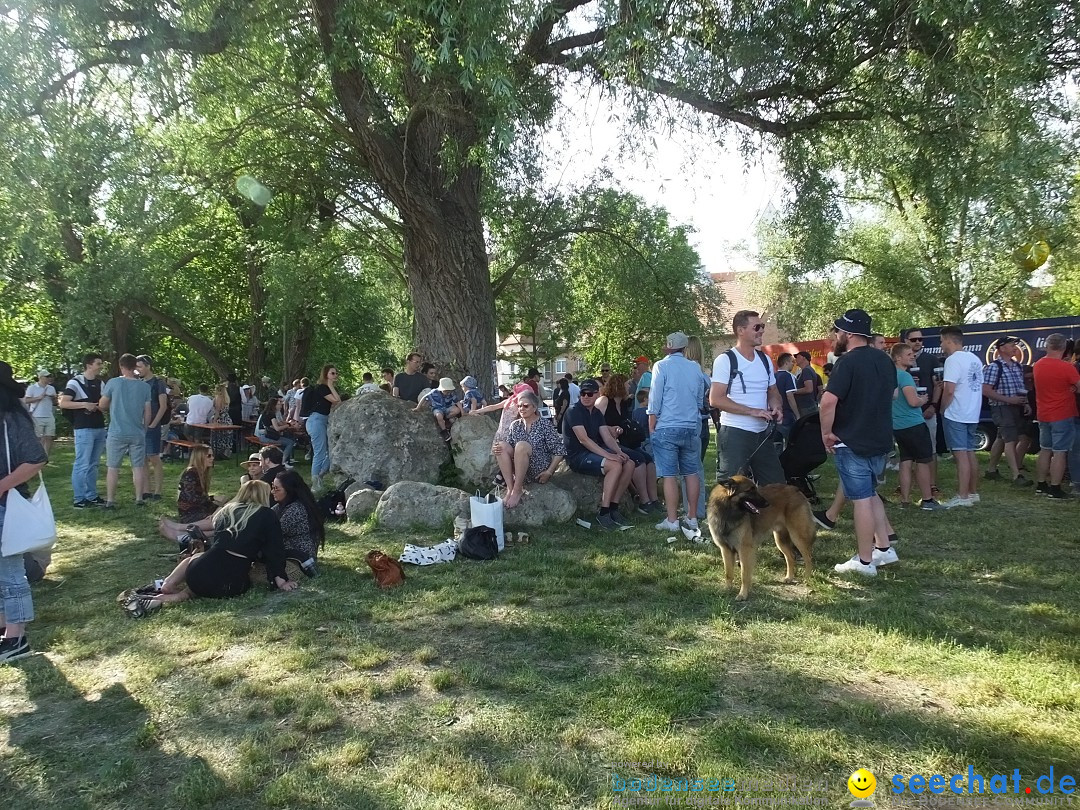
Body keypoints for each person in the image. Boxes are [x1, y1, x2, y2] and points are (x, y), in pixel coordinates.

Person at [124, 481, 297, 618]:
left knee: (196, 566)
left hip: (202, 569)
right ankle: (164, 597)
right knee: (191, 592)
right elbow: (275, 550)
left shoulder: (226, 511)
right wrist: (280, 580)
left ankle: (165, 587)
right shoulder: (266, 514)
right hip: (232, 579)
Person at [819, 309, 899, 576]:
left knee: (861, 499)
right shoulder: (884, 360)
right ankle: (884, 549)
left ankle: (865, 562)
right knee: (872, 492)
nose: (835, 335)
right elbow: (894, 394)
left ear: (849, 334)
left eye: (838, 331)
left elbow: (828, 401)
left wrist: (826, 433)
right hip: (880, 438)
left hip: (852, 440)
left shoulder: (847, 362)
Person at [0, 360, 49, 663]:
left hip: (7, 506)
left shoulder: (11, 421)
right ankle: (6, 628)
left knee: (10, 572)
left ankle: (17, 636)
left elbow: (35, 459)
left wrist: (2, 485)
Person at [710, 310, 785, 484]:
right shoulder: (725, 360)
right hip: (735, 433)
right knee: (730, 490)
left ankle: (768, 512)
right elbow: (716, 399)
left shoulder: (765, 359)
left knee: (777, 487)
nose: (762, 331)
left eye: (763, 326)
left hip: (762, 434)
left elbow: (772, 391)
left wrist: (776, 406)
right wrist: (752, 411)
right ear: (740, 330)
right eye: (757, 327)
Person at [649, 332, 709, 532]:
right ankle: (692, 517)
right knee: (691, 473)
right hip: (691, 426)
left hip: (667, 425)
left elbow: (655, 397)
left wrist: (652, 420)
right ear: (684, 348)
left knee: (669, 475)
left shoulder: (661, 366)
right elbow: (701, 399)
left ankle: (672, 520)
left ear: (668, 346)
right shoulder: (695, 368)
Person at [563, 378, 635, 530]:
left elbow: (607, 437)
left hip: (592, 453)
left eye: (590, 394)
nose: (586, 396)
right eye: (583, 393)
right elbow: (584, 440)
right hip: (578, 456)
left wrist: (619, 452)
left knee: (629, 463)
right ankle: (603, 512)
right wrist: (609, 456)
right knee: (614, 465)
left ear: (597, 394)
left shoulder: (596, 413)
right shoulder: (573, 411)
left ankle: (614, 508)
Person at [595, 374, 659, 513]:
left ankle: (654, 499)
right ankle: (644, 500)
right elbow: (594, 422)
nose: (629, 386)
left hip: (623, 440)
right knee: (638, 459)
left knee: (649, 460)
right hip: (606, 442)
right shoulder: (604, 401)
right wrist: (609, 429)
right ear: (618, 385)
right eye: (626, 384)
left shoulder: (623, 403)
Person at [891, 343, 943, 510]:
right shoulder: (905, 376)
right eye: (908, 354)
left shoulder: (891, 376)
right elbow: (913, 402)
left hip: (898, 425)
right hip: (913, 424)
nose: (913, 355)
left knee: (905, 461)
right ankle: (927, 500)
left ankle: (905, 501)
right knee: (923, 461)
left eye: (913, 353)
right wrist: (923, 399)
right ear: (898, 358)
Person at [939, 325, 985, 508]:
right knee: (969, 453)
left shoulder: (953, 361)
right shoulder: (974, 359)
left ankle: (962, 496)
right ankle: (972, 492)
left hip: (956, 412)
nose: (941, 344)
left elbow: (949, 390)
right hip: (972, 412)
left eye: (942, 341)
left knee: (960, 455)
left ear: (949, 340)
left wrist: (942, 409)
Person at [99, 353, 153, 508]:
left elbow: (102, 405)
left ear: (121, 366)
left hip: (117, 431)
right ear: (135, 366)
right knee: (137, 466)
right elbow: (147, 411)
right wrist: (145, 428)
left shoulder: (113, 383)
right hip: (137, 432)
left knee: (113, 467)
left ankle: (110, 500)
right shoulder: (144, 386)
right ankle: (139, 498)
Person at [1032, 333, 1080, 499]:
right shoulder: (1067, 368)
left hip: (1043, 413)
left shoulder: (1038, 364)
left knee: (1045, 450)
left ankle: (1041, 484)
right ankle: (1055, 487)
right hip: (1062, 414)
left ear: (1047, 345)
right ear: (1064, 348)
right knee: (1060, 452)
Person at [500, 391, 567, 509]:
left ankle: (517, 490)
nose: (521, 408)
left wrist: (549, 472)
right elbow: (509, 448)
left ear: (534, 407)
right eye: (519, 406)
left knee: (521, 446)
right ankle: (510, 488)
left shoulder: (544, 424)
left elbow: (559, 450)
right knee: (501, 446)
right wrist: (499, 449)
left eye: (525, 406)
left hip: (538, 469)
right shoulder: (515, 425)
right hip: (519, 467)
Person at [982, 336, 1032, 487]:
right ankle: (1017, 475)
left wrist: (1026, 403)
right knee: (1011, 440)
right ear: (1002, 348)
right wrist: (1009, 400)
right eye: (1011, 345)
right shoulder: (994, 367)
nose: (1015, 348)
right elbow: (986, 390)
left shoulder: (1017, 366)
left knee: (1002, 438)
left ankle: (991, 470)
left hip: (1016, 407)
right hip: (1001, 408)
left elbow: (1020, 388)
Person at [59, 352, 106, 508]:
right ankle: (79, 498)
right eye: (98, 363)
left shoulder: (101, 383)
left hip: (99, 427)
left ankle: (91, 495)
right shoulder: (75, 383)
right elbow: (64, 403)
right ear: (89, 365)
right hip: (83, 428)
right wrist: (84, 404)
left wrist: (100, 407)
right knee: (82, 463)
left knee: (94, 464)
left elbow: (105, 404)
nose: (101, 366)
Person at [679, 335, 715, 520]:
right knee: (696, 469)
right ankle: (698, 508)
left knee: (688, 471)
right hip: (702, 424)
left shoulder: (684, 375)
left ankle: (691, 509)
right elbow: (708, 404)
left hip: (688, 423)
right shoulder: (704, 377)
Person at [903, 328, 942, 496]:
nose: (918, 342)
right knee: (906, 452)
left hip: (927, 410)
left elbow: (939, 385)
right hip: (905, 412)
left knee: (930, 448)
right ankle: (906, 486)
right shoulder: (899, 361)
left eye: (920, 339)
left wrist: (933, 405)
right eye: (913, 340)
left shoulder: (931, 359)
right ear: (906, 341)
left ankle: (932, 485)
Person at [271, 470, 325, 576]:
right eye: (272, 487)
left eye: (276, 488)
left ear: (289, 490)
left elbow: (273, 533)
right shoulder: (283, 506)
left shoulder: (297, 509)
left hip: (300, 557)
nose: (272, 491)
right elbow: (266, 516)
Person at [136, 354, 170, 501]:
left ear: (148, 366)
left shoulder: (158, 383)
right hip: (140, 426)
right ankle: (146, 490)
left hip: (152, 425)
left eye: (140, 366)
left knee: (154, 457)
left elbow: (163, 406)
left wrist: (154, 423)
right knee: (142, 458)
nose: (137, 370)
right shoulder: (139, 383)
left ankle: (157, 491)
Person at [302, 364, 342, 490]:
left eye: (336, 373)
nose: (335, 375)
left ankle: (319, 476)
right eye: (332, 373)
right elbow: (336, 401)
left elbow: (338, 401)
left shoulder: (327, 388)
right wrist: (330, 384)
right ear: (326, 374)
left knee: (329, 452)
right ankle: (315, 482)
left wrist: (331, 386)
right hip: (316, 420)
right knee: (319, 452)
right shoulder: (322, 388)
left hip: (323, 420)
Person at [22, 368, 57, 454]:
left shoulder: (51, 388)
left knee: (49, 436)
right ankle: (39, 455)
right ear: (41, 377)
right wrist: (39, 397)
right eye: (47, 376)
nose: (49, 378)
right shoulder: (32, 388)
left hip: (49, 415)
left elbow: (55, 403)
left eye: (49, 376)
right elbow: (26, 400)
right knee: (39, 437)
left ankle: (46, 455)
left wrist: (54, 398)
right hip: (37, 415)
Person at [255, 396, 296, 463]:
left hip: (265, 436)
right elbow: (277, 428)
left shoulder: (266, 413)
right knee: (290, 442)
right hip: (266, 437)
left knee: (285, 439)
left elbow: (276, 425)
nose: (280, 406)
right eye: (278, 404)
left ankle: (283, 460)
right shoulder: (271, 414)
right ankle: (283, 461)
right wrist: (288, 425)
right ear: (274, 405)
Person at [774, 352, 799, 441]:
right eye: (792, 362)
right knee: (791, 442)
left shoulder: (773, 376)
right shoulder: (788, 376)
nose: (793, 364)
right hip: (787, 415)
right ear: (786, 363)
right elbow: (790, 396)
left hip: (775, 415)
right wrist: (797, 414)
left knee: (777, 444)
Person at [207, 382, 235, 460]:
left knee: (217, 437)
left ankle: (216, 454)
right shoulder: (226, 398)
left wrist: (214, 420)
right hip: (227, 419)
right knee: (226, 437)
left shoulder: (218, 397)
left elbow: (218, 411)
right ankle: (225, 453)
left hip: (220, 419)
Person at [792, 351, 821, 415]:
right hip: (808, 405)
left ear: (804, 358)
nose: (795, 359)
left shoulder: (806, 370)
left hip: (806, 407)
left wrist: (794, 391)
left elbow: (809, 389)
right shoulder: (808, 370)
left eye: (798, 357)